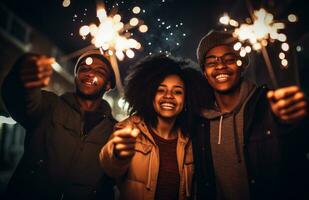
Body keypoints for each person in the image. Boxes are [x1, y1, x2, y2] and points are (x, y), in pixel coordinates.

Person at [192, 30, 309, 200]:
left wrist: (293, 122)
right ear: (204, 72)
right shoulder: (200, 122)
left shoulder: (269, 104)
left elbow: (297, 147)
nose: (220, 66)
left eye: (229, 59)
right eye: (211, 62)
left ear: (242, 65)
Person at [1, 49, 117, 200]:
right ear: (76, 77)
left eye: (99, 71)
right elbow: (19, 100)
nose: (89, 73)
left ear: (108, 85)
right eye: (84, 68)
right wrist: (22, 78)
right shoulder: (50, 105)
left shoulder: (115, 130)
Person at [99, 54, 197, 200]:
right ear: (149, 94)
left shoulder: (191, 139)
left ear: (186, 99)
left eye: (177, 91)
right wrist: (117, 153)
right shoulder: (128, 128)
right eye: (160, 90)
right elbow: (109, 167)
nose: (168, 96)